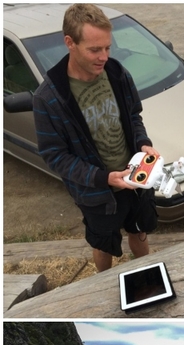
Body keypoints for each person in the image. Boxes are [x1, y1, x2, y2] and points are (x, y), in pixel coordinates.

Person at [33, 3, 159, 273]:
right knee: (104, 245)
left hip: (136, 179)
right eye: (94, 49)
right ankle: (102, 287)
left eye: (107, 47)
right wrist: (103, 178)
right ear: (70, 43)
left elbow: (134, 115)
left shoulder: (116, 72)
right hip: (96, 194)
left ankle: (148, 275)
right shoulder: (48, 98)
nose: (104, 57)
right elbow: (54, 156)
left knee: (139, 231)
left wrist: (142, 144)